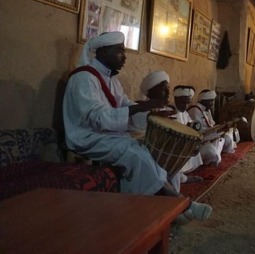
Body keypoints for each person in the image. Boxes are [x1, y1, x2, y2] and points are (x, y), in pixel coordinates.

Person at [63, 32, 211, 223]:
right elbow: (96, 117)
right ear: (103, 51)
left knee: (152, 149)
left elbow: (125, 106)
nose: (124, 57)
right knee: (134, 152)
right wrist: (143, 106)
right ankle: (178, 204)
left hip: (108, 134)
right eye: (120, 51)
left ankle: (164, 206)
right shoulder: (84, 78)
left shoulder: (112, 81)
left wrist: (150, 114)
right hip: (86, 137)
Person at [164, 85, 205, 180]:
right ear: (176, 98)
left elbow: (190, 126)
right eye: (183, 102)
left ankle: (183, 173)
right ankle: (181, 178)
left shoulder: (185, 113)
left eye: (188, 103)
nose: (186, 106)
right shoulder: (169, 111)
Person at [188, 89, 239, 164]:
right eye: (210, 101)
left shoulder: (207, 110)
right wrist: (218, 132)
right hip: (202, 141)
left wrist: (222, 127)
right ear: (203, 100)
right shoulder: (195, 110)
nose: (212, 103)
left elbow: (212, 125)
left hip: (211, 136)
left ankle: (218, 149)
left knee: (229, 136)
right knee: (212, 152)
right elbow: (199, 133)